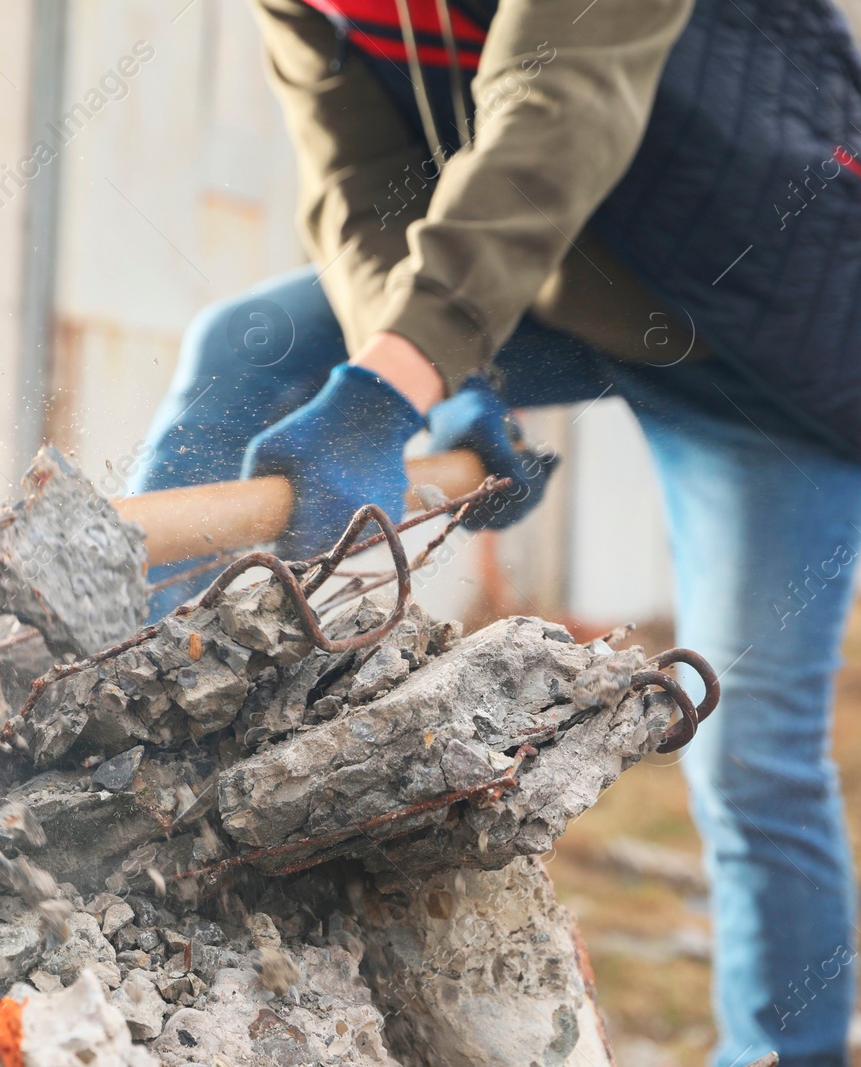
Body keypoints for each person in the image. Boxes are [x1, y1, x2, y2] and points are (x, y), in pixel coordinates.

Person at [129, 0, 861, 1063]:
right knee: (245, 345)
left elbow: (555, 108)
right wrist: (441, 374)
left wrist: (388, 390)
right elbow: (360, 193)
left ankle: (785, 1049)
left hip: (763, 318)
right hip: (556, 280)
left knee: (749, 747)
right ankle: (144, 752)